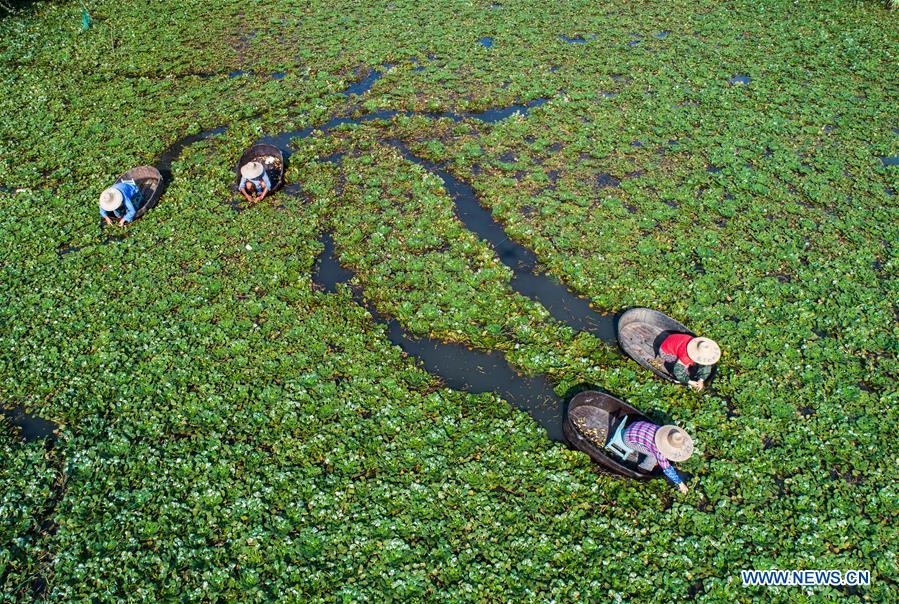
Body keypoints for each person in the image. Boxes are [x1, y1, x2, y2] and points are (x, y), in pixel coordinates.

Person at [624, 421, 694, 494]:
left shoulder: (664, 432)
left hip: (635, 424)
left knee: (654, 452)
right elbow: (667, 469)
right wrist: (680, 484)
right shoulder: (659, 450)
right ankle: (642, 468)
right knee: (653, 455)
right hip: (627, 438)